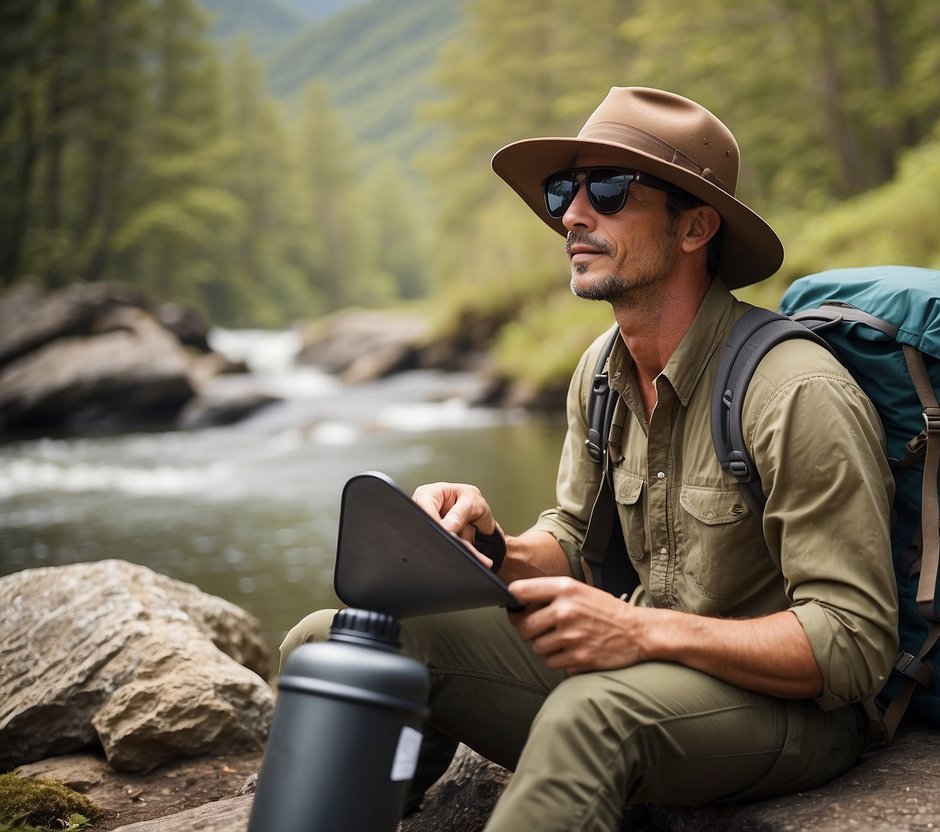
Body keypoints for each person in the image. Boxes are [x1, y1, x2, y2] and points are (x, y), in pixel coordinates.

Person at [281, 86, 898, 830]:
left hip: (794, 711)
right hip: (646, 669)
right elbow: (573, 545)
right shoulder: (600, 373)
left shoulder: (795, 392)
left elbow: (853, 644)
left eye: (608, 191)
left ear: (695, 226)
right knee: (333, 639)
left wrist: (637, 630)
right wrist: (490, 548)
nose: (571, 215)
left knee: (589, 713)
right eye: (562, 192)